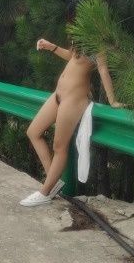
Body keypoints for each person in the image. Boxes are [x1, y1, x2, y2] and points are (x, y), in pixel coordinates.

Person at [20, 38, 125, 207]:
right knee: (33, 132)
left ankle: (45, 192)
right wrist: (51, 46)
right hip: (59, 94)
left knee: (59, 146)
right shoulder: (81, 37)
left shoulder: (97, 41)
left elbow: (103, 69)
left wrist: (112, 100)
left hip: (74, 99)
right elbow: (73, 57)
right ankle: (52, 182)